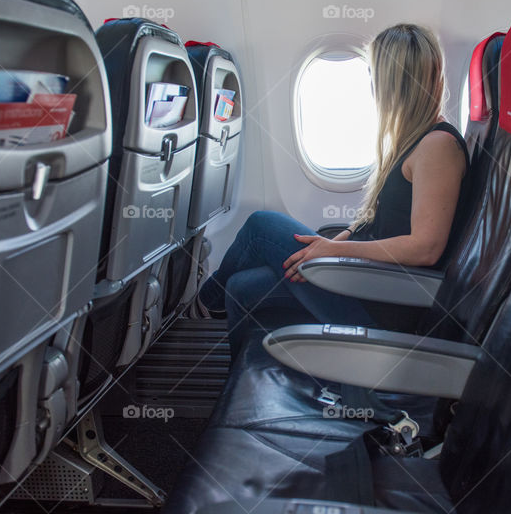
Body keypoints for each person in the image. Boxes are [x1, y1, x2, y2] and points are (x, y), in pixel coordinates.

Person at [196, 23, 468, 351]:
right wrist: (329, 248)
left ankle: (199, 306)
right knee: (242, 288)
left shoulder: (437, 146)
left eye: (373, 75)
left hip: (383, 299)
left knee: (261, 227)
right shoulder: (411, 139)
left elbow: (425, 248)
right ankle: (228, 367)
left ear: (389, 83)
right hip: (361, 278)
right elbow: (375, 224)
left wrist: (334, 252)